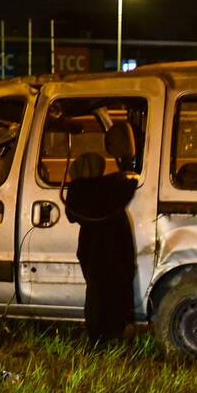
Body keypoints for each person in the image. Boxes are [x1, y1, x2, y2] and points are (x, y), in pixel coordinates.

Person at [63, 123, 139, 345]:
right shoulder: (114, 186)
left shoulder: (77, 192)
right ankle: (117, 331)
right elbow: (130, 184)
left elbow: (71, 215)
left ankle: (97, 336)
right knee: (117, 290)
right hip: (116, 249)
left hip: (93, 250)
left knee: (95, 293)